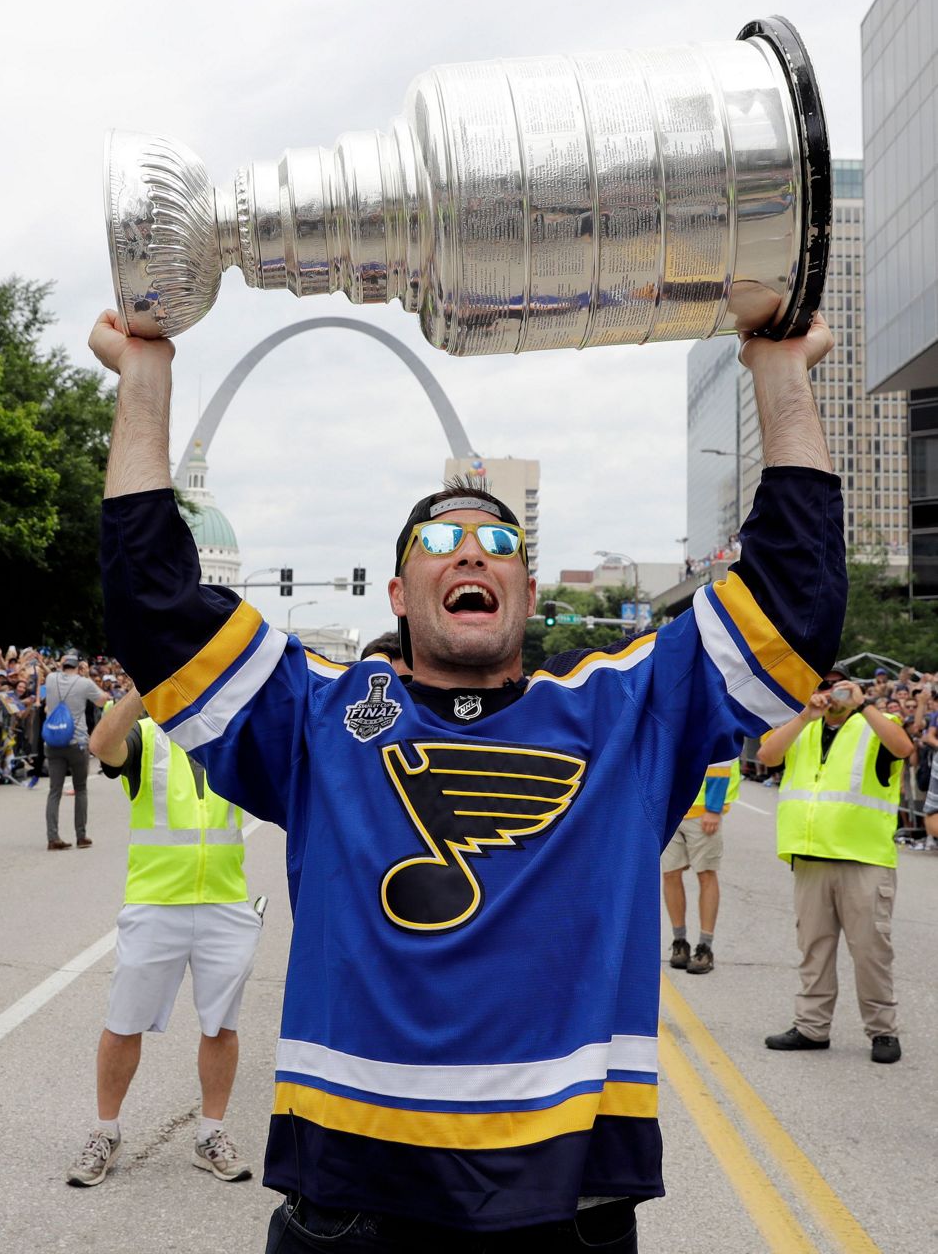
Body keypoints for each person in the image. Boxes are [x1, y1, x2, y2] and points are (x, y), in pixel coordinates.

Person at [90, 306, 845, 1252]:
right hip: (352, 1205)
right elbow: (151, 608)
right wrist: (146, 376)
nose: (474, 553)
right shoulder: (323, 718)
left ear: (526, 593)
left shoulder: (622, 714)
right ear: (400, 597)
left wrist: (777, 370)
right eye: (440, 546)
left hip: (565, 1209)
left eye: (498, 544)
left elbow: (796, 603)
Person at [66, 687, 260, 1187]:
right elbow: (102, 744)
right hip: (155, 904)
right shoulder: (146, 736)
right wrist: (142, 686)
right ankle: (105, 1131)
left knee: (221, 1025)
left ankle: (209, 1135)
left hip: (224, 901)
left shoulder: (230, 738)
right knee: (123, 1023)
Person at [756, 664, 912, 1064]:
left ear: (853, 690)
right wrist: (805, 713)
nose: (829, 695)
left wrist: (865, 706)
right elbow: (767, 755)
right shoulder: (802, 726)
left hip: (863, 859)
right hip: (810, 858)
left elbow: (903, 748)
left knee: (871, 952)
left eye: (836, 687)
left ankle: (882, 1031)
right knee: (814, 949)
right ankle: (811, 1027)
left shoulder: (878, 722)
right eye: (821, 687)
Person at [662, 758, 740, 975]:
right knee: (670, 874)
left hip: (703, 810)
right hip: (671, 809)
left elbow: (722, 760)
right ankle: (679, 942)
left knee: (706, 874)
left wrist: (714, 808)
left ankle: (705, 947)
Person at [43, 653, 110, 849]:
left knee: (54, 790)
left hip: (54, 740)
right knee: (80, 789)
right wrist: (86, 676)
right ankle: (81, 836)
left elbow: (52, 674)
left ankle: (52, 837)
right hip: (77, 741)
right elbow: (101, 701)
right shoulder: (83, 683)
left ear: (63, 665)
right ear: (78, 666)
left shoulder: (50, 678)